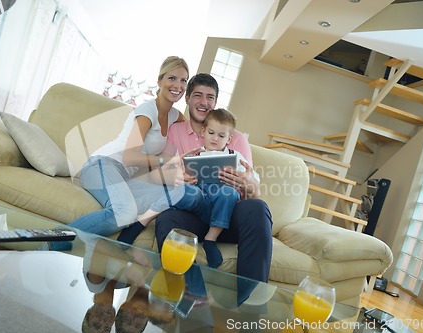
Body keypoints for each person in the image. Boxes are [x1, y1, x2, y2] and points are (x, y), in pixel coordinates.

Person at [50, 56, 189, 251]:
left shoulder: (175, 116)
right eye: (172, 78)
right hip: (101, 165)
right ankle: (52, 240)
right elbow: (129, 157)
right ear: (159, 81)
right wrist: (164, 159)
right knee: (125, 211)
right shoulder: (147, 111)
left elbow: (191, 136)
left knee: (177, 190)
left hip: (123, 176)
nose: (178, 85)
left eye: (184, 80)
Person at [155, 73, 273, 283]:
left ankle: (251, 303)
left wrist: (250, 186)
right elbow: (162, 173)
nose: (203, 102)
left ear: (216, 102)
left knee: (258, 207)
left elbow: (253, 185)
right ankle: (186, 290)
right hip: (194, 212)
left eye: (210, 97)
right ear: (188, 99)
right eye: (198, 95)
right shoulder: (176, 131)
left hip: (229, 216)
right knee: (166, 219)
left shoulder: (235, 137)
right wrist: (176, 177)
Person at [125, 108, 260, 268]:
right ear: (203, 132)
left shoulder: (235, 157)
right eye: (211, 133)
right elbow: (170, 174)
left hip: (220, 206)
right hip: (198, 204)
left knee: (229, 192)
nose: (215, 138)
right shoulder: (194, 155)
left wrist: (246, 179)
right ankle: (143, 220)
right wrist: (181, 176)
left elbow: (253, 179)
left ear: (229, 139)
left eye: (221, 136)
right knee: (184, 190)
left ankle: (211, 239)